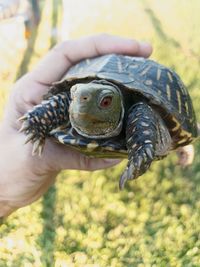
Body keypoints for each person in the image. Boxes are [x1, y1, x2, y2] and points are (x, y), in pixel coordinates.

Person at [0, 34, 153, 218]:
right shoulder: (67, 103)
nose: (81, 102)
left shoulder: (139, 111)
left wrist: (151, 143)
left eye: (105, 102)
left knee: (144, 114)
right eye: (75, 97)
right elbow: (60, 103)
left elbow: (164, 122)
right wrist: (36, 123)